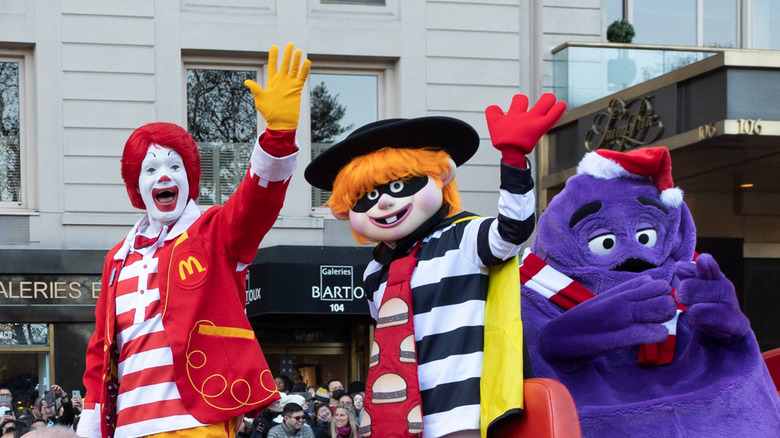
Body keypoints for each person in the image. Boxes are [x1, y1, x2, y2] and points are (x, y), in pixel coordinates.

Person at [76, 43, 310, 438]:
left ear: (190, 176)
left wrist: (278, 138)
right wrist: (92, 416)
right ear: (137, 185)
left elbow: (256, 204)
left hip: (196, 421)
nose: (163, 176)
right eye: (151, 168)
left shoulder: (212, 231)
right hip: (130, 425)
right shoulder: (118, 257)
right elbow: (101, 348)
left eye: (174, 165)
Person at [304, 94, 565, 437]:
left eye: (398, 185)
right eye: (365, 197)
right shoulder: (374, 272)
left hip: (460, 412)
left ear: (441, 176)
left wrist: (514, 160)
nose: (383, 201)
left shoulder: (465, 237)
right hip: (394, 419)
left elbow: (513, 230)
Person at [520, 147, 780, 436]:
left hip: (718, 412)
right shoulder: (538, 289)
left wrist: (728, 323)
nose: (632, 252)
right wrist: (588, 327)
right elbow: (541, 345)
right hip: (602, 417)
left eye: (646, 236)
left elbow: (734, 348)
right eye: (604, 240)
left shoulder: (689, 278)